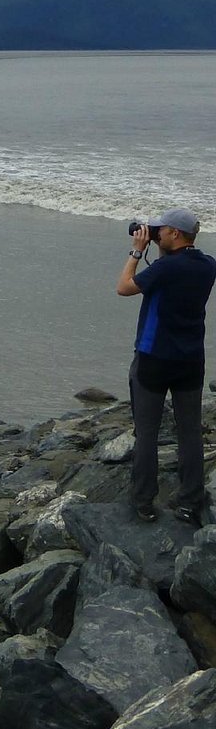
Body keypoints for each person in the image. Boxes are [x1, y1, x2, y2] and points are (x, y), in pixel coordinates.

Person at [117, 207, 216, 524]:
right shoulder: (207, 266)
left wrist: (137, 250)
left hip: (153, 358)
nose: (155, 233)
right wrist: (157, 249)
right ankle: (190, 502)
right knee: (190, 434)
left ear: (175, 233)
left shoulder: (165, 269)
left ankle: (144, 502)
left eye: (161, 229)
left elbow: (124, 286)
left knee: (147, 434)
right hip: (190, 361)